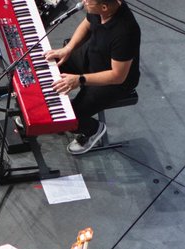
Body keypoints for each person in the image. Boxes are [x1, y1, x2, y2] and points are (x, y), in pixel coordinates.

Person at [44, 0, 140, 155]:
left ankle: (94, 130)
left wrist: (79, 79)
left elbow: (117, 76)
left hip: (111, 82)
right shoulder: (98, 8)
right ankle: (41, 112)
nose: (83, 2)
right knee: (46, 69)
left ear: (104, 7)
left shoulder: (125, 32)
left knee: (70, 119)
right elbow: (87, 23)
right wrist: (68, 49)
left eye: (88, 1)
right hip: (91, 56)